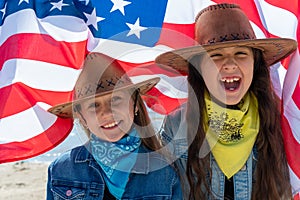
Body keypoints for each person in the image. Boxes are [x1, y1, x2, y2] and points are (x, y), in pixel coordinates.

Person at [155, 3, 297, 200]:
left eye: (241, 53)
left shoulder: (280, 125)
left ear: (255, 65)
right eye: (216, 56)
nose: (230, 64)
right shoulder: (175, 127)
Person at [46, 52, 182, 199]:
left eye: (116, 99)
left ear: (135, 104)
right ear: (82, 116)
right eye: (94, 105)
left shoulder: (165, 173)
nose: (106, 113)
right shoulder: (61, 170)